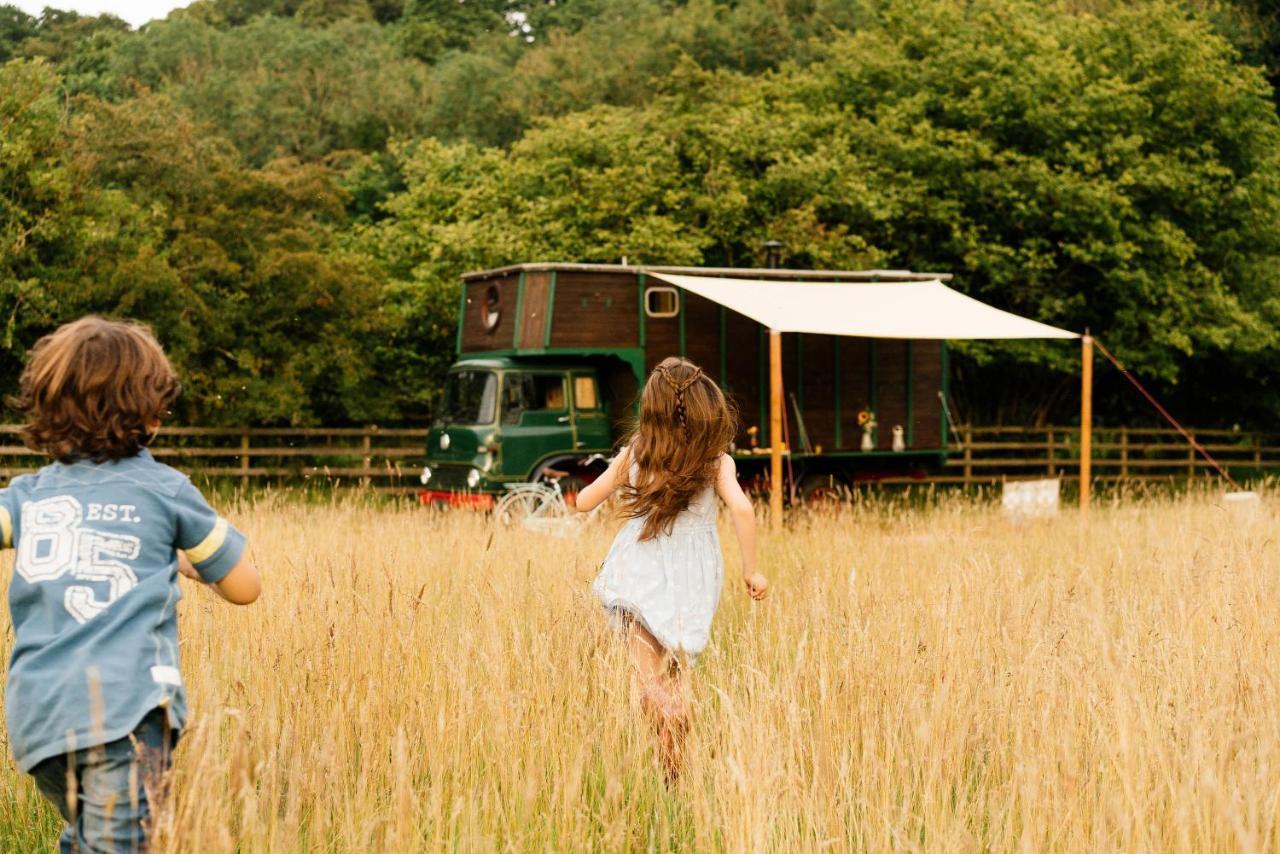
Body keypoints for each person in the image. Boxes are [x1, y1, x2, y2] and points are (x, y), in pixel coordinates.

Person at [0, 317, 261, 852]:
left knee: (90, 836)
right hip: (126, 714)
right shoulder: (165, 490)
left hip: (38, 718)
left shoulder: (28, 496)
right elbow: (245, 586)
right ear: (148, 411)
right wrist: (189, 561)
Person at [575, 356, 768, 781]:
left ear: (652, 409)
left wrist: (591, 490)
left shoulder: (635, 456)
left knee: (649, 681)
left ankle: (668, 719)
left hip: (639, 571)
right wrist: (751, 571)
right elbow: (742, 508)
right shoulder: (717, 462)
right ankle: (673, 773)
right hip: (694, 581)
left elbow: (586, 500)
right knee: (675, 674)